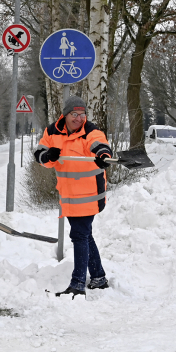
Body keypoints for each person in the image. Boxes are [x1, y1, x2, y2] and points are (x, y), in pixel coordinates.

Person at [33, 95, 113, 297]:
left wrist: (104, 155)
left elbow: (99, 145)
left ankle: (78, 283)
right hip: (69, 196)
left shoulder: (91, 132)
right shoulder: (52, 132)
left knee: (79, 235)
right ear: (65, 115)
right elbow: (40, 153)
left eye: (82, 114)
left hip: (90, 195)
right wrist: (48, 156)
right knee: (85, 235)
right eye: (74, 114)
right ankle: (98, 277)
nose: (79, 118)